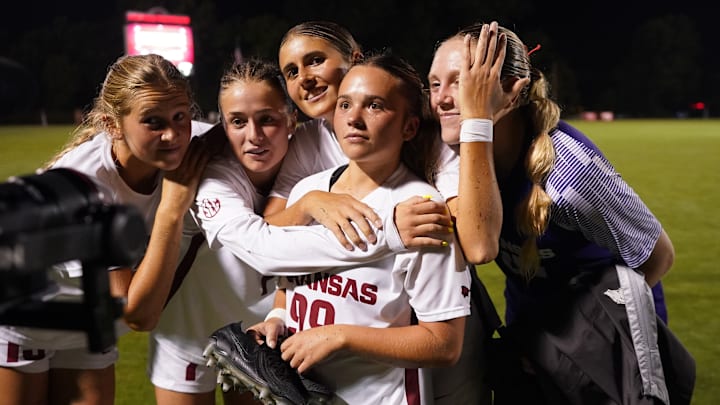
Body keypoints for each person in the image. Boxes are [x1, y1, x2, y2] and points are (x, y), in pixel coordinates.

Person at [428, 21, 692, 404]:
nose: (443, 99)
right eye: (435, 84)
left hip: (607, 343)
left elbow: (658, 255)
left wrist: (579, 338)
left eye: (462, 82)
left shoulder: (567, 171)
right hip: (532, 336)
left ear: (512, 91)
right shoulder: (453, 163)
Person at [247, 51, 471, 405]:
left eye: (375, 106)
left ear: (409, 127)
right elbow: (290, 282)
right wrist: (277, 317)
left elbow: (444, 343)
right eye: (345, 104)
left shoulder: (420, 208)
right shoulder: (308, 191)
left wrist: (341, 336)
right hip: (302, 395)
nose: (354, 118)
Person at [0, 54, 213, 404]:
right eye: (153, 122)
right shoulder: (87, 185)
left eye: (180, 116)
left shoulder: (178, 146)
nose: (173, 134)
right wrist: (171, 209)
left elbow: (247, 134)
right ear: (112, 125)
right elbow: (136, 312)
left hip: (89, 323)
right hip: (28, 323)